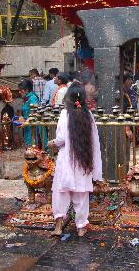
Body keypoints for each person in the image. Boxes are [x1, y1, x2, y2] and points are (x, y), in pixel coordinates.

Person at [48, 83, 103, 237]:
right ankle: (80, 227)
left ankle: (58, 227)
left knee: (61, 193)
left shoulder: (64, 114)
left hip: (66, 160)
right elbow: (94, 141)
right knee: (81, 195)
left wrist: (51, 143)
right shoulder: (88, 115)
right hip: (83, 160)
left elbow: (61, 139)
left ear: (68, 99)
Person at [18, 79, 40, 146]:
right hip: (27, 126)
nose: (19, 92)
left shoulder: (32, 98)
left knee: (32, 147)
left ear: (27, 90)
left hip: (32, 126)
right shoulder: (26, 98)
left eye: (21, 90)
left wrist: (26, 122)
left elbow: (35, 111)